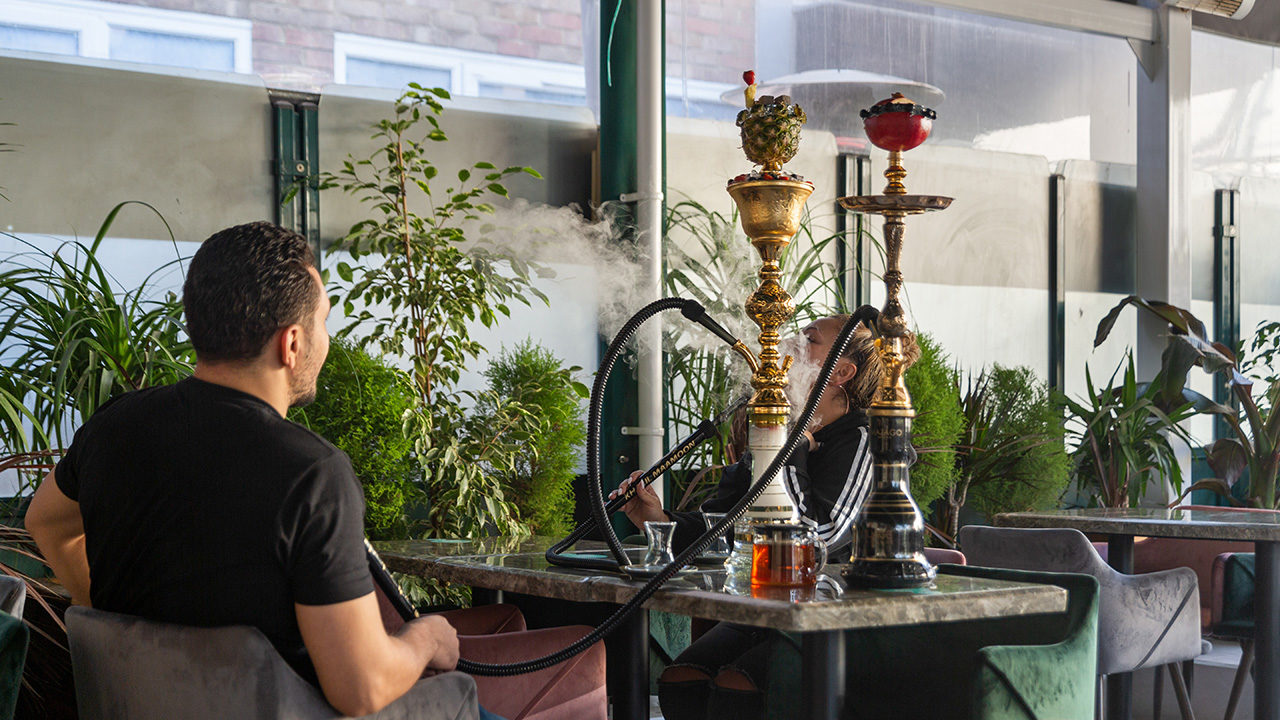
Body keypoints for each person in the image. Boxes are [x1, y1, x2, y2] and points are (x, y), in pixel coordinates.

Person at [26, 222, 470, 718]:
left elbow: (45, 521)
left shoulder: (113, 428)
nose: (327, 338)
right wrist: (426, 638)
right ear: (293, 343)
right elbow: (360, 689)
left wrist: (117, 626)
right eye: (324, 321)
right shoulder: (313, 472)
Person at [613, 315, 920, 720]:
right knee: (679, 679)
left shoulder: (862, 443)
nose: (791, 344)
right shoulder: (780, 434)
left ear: (843, 372)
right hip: (766, 607)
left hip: (832, 618)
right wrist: (657, 520)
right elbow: (724, 529)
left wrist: (789, 453)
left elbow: (822, 537)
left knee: (737, 684)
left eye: (808, 339)